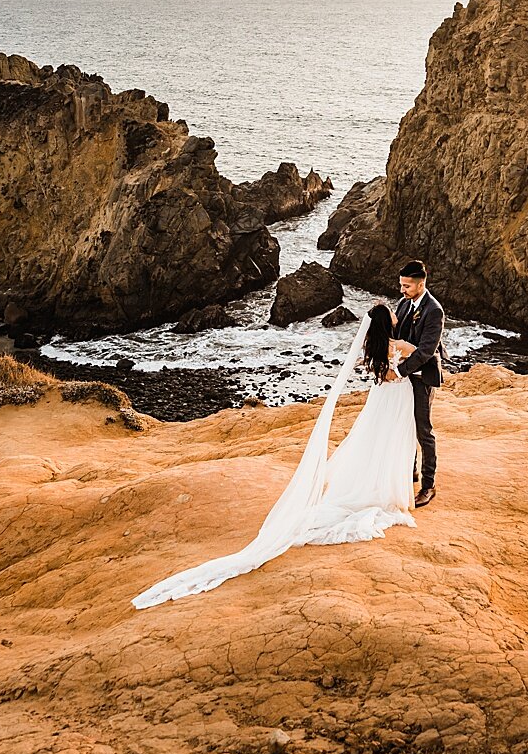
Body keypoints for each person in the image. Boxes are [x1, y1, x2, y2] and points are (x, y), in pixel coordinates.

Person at [132, 300, 421, 608]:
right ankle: (388, 490)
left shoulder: (373, 350)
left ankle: (376, 486)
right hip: (397, 401)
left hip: (381, 402)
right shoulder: (399, 345)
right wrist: (407, 353)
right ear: (384, 321)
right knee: (390, 443)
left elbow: (387, 371)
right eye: (390, 309)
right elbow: (419, 356)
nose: (395, 310)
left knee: (375, 443)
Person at [389, 259, 446, 507]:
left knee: (424, 431)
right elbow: (396, 335)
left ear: (421, 284)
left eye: (408, 286)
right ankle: (410, 470)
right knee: (405, 424)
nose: (402, 290)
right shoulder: (403, 304)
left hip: (422, 379)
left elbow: (425, 352)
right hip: (404, 379)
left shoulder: (434, 311)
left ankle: (428, 485)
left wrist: (398, 372)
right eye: (401, 285)